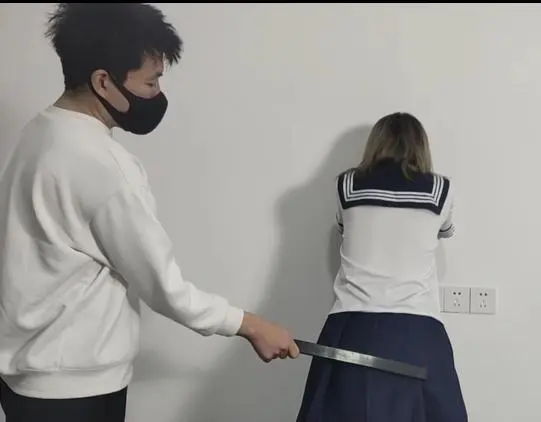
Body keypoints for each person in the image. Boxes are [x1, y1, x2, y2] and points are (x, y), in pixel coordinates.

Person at [0, 3, 299, 421]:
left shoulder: (39, 133)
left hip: (25, 380)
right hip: (75, 389)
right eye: (151, 82)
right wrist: (250, 324)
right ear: (103, 81)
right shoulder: (104, 165)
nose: (157, 95)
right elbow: (163, 287)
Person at [295, 112, 467, 422]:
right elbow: (445, 230)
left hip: (351, 328)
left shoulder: (347, 185)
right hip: (418, 331)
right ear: (421, 146)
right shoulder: (440, 190)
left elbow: (344, 227)